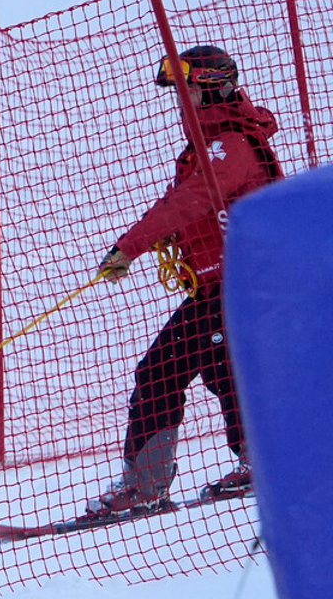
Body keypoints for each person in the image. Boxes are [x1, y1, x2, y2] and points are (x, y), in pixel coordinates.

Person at [84, 44, 282, 519]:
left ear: (210, 87)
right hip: (223, 286)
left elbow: (189, 202)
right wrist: (151, 241)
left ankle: (145, 486)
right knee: (223, 371)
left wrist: (129, 246)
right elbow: (187, 210)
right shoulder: (210, 143)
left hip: (239, 287)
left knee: (160, 371)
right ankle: (266, 463)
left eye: (187, 88)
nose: (181, 98)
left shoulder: (228, 145)